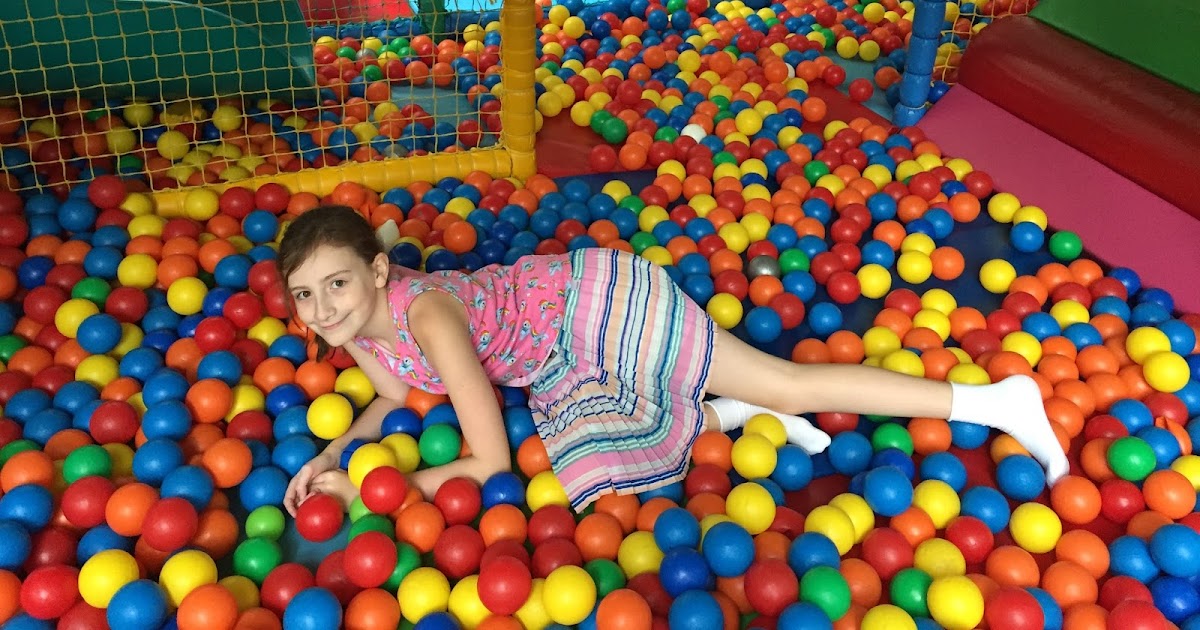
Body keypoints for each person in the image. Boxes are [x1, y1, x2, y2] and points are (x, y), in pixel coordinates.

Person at [278, 205, 1070, 517]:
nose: (323, 311)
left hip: (598, 308)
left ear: (378, 273)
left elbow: (487, 462)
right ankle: (736, 414)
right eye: (305, 296)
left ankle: (997, 403)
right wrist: (327, 457)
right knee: (602, 474)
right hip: (554, 356)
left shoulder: (429, 314)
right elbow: (387, 405)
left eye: (338, 285)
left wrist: (372, 492)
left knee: (786, 377)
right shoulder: (361, 333)